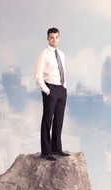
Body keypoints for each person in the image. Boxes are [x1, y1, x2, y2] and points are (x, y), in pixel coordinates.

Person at [34, 27, 70, 161]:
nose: (54, 40)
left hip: (61, 89)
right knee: (47, 120)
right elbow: (37, 76)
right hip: (50, 89)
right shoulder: (43, 54)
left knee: (59, 120)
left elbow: (63, 71)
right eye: (51, 37)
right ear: (47, 38)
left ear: (59, 38)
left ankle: (56, 148)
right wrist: (47, 90)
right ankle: (46, 152)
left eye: (56, 37)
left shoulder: (62, 54)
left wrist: (64, 87)